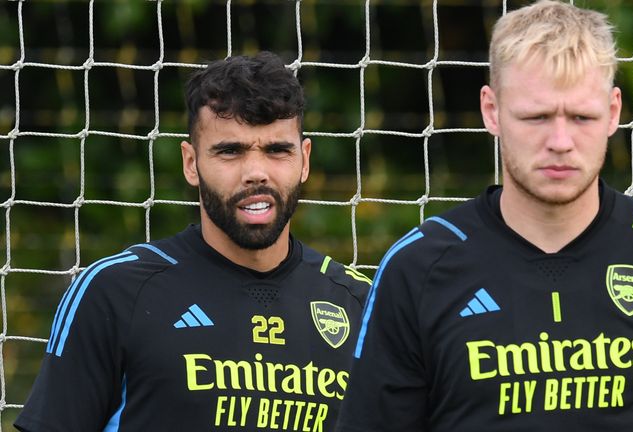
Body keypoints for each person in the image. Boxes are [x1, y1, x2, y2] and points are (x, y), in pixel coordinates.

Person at [335, 1, 633, 431]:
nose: (560, 141)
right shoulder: (417, 268)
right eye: (536, 117)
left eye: (581, 117)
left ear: (613, 112)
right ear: (491, 111)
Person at [15, 52, 370, 432]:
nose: (256, 173)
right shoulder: (115, 291)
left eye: (277, 150)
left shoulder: (360, 305)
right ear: (190, 162)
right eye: (230, 151)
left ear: (304, 160)